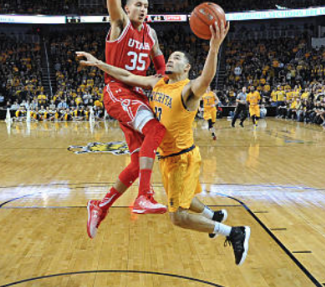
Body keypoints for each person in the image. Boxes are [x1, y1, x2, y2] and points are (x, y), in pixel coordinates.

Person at [77, 20, 251, 266]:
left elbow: (206, 77)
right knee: (185, 199)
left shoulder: (188, 89)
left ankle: (233, 232)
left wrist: (213, 49)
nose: (170, 60)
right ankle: (215, 215)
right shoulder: (158, 82)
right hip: (167, 159)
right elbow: (126, 75)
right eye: (169, 57)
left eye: (177, 58)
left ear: (187, 66)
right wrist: (98, 64)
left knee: (178, 217)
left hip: (182, 158)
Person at [85, 0, 169, 239]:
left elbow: (161, 70)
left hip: (138, 96)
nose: (143, 8)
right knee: (156, 130)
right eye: (138, 4)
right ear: (127, 9)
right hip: (117, 90)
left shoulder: (152, 35)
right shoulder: (119, 25)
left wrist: (167, 85)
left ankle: (101, 205)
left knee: (136, 164)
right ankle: (144, 197)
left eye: (146, 5)